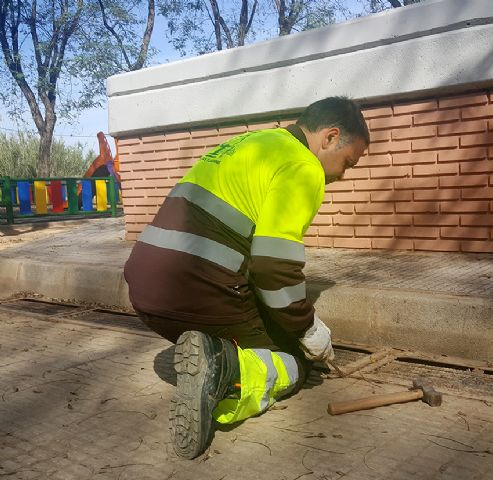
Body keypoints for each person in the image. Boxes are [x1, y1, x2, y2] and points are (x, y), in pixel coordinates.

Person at [124, 96, 370, 459]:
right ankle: (226, 369)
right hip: (192, 288)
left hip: (145, 290)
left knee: (258, 319)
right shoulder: (304, 166)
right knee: (291, 361)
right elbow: (272, 267)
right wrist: (306, 329)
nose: (341, 175)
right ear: (330, 137)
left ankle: (214, 353)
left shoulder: (254, 143)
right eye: (348, 162)